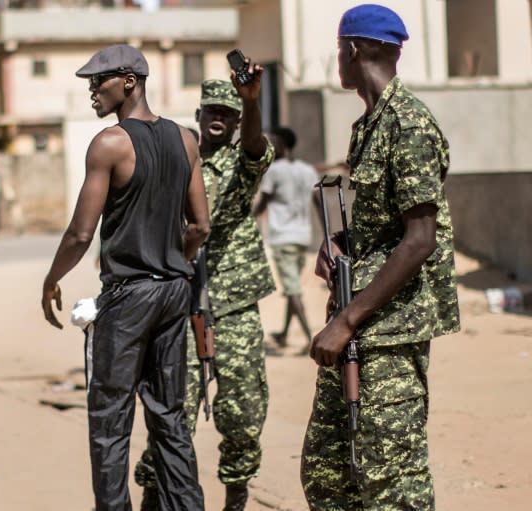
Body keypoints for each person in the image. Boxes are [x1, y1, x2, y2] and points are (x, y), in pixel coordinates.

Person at [301, 5, 461, 510]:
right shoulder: (369, 124)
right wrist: (340, 245)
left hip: (390, 328)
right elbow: (380, 227)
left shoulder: (408, 125)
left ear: (351, 50)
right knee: (328, 474)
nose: (338, 61)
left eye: (338, 51)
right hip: (360, 320)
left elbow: (419, 239)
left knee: (391, 481)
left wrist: (347, 320)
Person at [41, 44, 209, 511]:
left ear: (129, 82)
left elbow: (79, 233)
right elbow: (200, 226)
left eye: (100, 81)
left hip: (129, 296)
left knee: (110, 419)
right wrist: (173, 260)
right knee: (169, 415)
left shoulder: (110, 144)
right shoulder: (185, 140)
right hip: (176, 290)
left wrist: (51, 280)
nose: (92, 90)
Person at [135, 69, 277, 510]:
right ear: (199, 115)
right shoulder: (175, 161)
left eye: (228, 114)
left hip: (233, 301)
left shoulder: (242, 161)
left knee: (243, 410)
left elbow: (255, 146)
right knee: (172, 409)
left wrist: (250, 101)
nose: (220, 118)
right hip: (179, 299)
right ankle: (154, 495)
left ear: (236, 122)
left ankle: (236, 495)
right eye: (213, 111)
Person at [253, 127, 319, 356]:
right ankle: (284, 332)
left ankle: (309, 338)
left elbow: (264, 202)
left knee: (292, 290)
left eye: (274, 143)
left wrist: (249, 219)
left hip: (283, 237)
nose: (271, 147)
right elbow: (318, 201)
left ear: (283, 145)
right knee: (293, 287)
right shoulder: (307, 170)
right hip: (303, 236)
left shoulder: (275, 171)